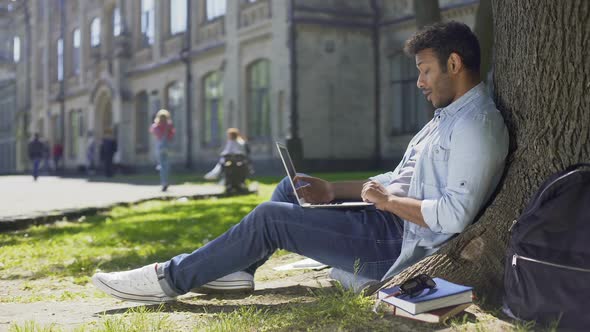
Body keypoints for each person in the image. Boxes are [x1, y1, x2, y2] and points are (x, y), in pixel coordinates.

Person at [92, 21, 509, 304]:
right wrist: (333, 191)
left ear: (453, 65)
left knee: (270, 217)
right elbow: (398, 178)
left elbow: (454, 215)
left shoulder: (476, 125)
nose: (419, 82)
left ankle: (170, 278)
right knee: (291, 189)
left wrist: (387, 203)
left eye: (425, 71)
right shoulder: (446, 118)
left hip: (395, 241)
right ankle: (239, 271)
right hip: (388, 221)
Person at [150, 109, 176, 192]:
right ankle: (165, 181)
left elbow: (153, 132)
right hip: (167, 146)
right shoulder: (169, 125)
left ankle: (164, 182)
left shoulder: (156, 126)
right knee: (166, 164)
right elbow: (172, 134)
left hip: (160, 146)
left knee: (162, 164)